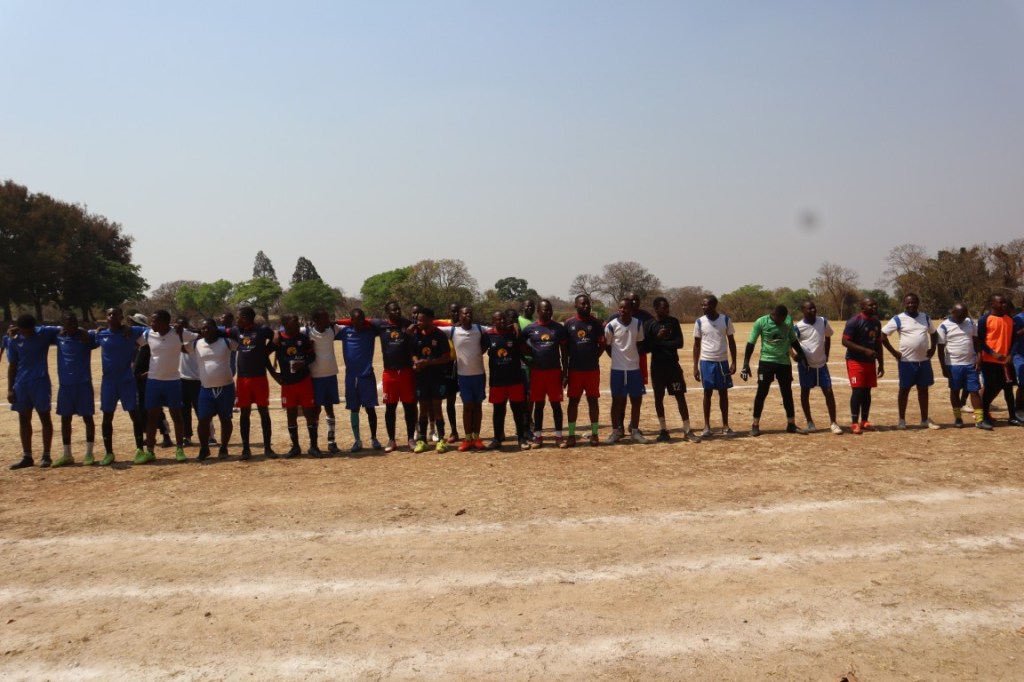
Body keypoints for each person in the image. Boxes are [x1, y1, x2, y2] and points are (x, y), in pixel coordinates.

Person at [341, 301, 418, 453]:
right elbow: (359, 320)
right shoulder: (380, 325)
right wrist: (334, 321)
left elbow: (426, 322)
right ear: (387, 312)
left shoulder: (408, 324)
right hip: (389, 373)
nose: (396, 311)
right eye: (393, 310)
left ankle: (411, 438)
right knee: (390, 407)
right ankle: (391, 439)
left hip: (406, 372)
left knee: (409, 406)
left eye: (398, 309)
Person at [135, 309, 197, 463]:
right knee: (152, 417)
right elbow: (134, 341)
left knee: (176, 415)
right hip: (153, 381)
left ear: (164, 322)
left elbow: (199, 336)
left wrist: (186, 344)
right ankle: (150, 451)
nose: (151, 323)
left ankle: (180, 449)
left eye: (154, 321)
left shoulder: (178, 333)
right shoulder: (148, 334)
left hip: (173, 381)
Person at [741, 305, 807, 437]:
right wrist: (746, 364)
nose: (780, 322)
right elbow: (751, 343)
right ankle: (755, 425)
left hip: (784, 363)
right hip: (766, 362)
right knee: (761, 393)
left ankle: (791, 424)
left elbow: (793, 339)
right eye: (778, 319)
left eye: (782, 319)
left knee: (787, 393)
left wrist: (802, 355)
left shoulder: (787, 321)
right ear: (773, 315)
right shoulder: (761, 322)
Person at [92, 307, 146, 465]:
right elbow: (82, 335)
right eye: (109, 314)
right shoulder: (101, 334)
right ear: (106, 318)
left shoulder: (131, 332)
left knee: (134, 415)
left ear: (121, 317)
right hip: (108, 382)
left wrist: (127, 327)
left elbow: (149, 329)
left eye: (115, 314)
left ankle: (139, 450)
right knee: (107, 416)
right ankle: (109, 453)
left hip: (127, 381)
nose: (112, 316)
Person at [7, 314, 60, 469]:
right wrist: (10, 388)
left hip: (40, 382)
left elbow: (66, 328)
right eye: (22, 330)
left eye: (27, 330)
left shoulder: (43, 333)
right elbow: (12, 365)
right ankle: (27, 456)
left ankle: (46, 455)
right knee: (23, 419)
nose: (24, 332)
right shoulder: (14, 339)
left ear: (32, 328)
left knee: (44, 417)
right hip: (21, 383)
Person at [643, 296, 700, 442]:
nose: (667, 309)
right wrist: (658, 337)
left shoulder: (673, 322)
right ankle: (663, 430)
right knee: (658, 398)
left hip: (673, 367)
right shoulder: (649, 325)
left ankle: (687, 430)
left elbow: (679, 343)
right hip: (657, 368)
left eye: (667, 307)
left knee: (680, 396)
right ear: (656, 309)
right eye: (663, 307)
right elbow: (646, 348)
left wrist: (660, 343)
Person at [880, 294, 940, 429]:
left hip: (924, 361)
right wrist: (894, 353)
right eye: (908, 303)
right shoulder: (898, 319)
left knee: (923, 390)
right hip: (906, 362)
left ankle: (924, 419)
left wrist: (933, 348)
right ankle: (901, 420)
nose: (911, 305)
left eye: (913, 302)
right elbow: (883, 336)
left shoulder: (925, 317)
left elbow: (934, 333)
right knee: (904, 390)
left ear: (918, 303)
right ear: (904, 303)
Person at [52, 312, 98, 467]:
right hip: (65, 385)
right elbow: (38, 330)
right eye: (68, 322)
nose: (71, 325)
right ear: (63, 324)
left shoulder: (86, 338)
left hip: (83, 384)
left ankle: (89, 453)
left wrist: (86, 331)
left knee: (88, 418)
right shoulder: (58, 337)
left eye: (74, 322)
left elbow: (100, 331)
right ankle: (67, 454)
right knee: (65, 419)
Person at [231, 306, 277, 459]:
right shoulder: (237, 331)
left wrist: (266, 351)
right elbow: (217, 332)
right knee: (244, 414)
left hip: (259, 378)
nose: (236, 319)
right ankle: (245, 448)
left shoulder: (262, 329)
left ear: (245, 317)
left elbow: (276, 338)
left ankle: (268, 448)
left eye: (238, 317)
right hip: (243, 379)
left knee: (264, 412)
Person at [936, 303, 991, 430]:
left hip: (970, 364)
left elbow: (976, 341)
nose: (962, 318)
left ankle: (979, 420)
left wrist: (979, 357)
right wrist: (943, 367)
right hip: (953, 365)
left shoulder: (970, 323)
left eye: (964, 315)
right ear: (953, 313)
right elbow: (940, 349)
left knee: (974, 391)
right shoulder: (944, 327)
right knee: (955, 391)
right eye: (960, 315)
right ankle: (958, 418)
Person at [271, 313, 319, 456]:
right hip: (287, 384)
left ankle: (314, 447)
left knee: (310, 413)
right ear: (285, 323)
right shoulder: (278, 340)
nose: (298, 323)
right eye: (295, 321)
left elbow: (312, 355)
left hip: (304, 381)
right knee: (291, 414)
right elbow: (263, 355)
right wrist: (274, 374)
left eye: (298, 321)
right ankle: (295, 447)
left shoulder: (303, 338)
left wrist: (303, 363)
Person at [793, 301, 843, 435]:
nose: (813, 310)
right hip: (806, 366)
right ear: (802, 310)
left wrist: (827, 353)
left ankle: (833, 423)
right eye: (809, 309)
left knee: (828, 391)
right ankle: (810, 422)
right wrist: (794, 355)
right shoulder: (798, 327)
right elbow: (790, 342)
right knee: (805, 392)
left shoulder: (823, 321)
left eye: (814, 308)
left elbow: (828, 336)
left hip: (821, 364)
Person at [523, 300, 568, 448]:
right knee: (539, 405)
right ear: (538, 311)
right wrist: (528, 361)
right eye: (544, 310)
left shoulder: (558, 329)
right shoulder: (530, 328)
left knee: (556, 405)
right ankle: (538, 437)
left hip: (554, 371)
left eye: (549, 309)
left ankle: (559, 436)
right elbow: (519, 346)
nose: (547, 312)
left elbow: (564, 352)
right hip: (537, 372)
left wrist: (565, 372)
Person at [563, 294, 606, 447]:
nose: (586, 306)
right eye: (582, 304)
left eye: (588, 304)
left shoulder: (596, 324)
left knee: (592, 401)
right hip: (575, 370)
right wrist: (565, 371)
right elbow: (565, 350)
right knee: (573, 402)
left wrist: (595, 357)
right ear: (576, 305)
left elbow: (602, 344)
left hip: (592, 370)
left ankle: (595, 434)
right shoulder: (569, 324)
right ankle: (571, 435)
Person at [483, 310, 529, 450]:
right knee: (498, 410)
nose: (502, 322)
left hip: (515, 378)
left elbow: (523, 352)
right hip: (497, 380)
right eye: (498, 319)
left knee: (517, 410)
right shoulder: (488, 335)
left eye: (503, 319)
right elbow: (479, 350)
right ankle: (497, 438)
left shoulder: (513, 333)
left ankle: (521, 438)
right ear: (493, 321)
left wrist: (519, 333)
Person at [193, 318, 238, 459]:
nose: (205, 330)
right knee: (203, 420)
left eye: (208, 328)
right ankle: (204, 448)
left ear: (215, 329)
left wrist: (225, 331)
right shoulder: (197, 343)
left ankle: (224, 448)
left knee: (225, 419)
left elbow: (239, 338)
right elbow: (181, 344)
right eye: (203, 328)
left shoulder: (226, 342)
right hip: (206, 388)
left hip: (226, 387)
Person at [338, 308, 382, 452]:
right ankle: (357, 440)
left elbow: (379, 322)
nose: (359, 322)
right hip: (351, 377)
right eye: (356, 319)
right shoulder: (344, 332)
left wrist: (367, 322)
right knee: (354, 409)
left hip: (367, 375)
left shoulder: (370, 331)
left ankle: (374, 438)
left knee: (370, 409)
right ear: (351, 320)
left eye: (362, 319)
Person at [692, 295, 737, 438]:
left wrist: (734, 361)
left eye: (706, 305)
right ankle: (706, 426)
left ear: (714, 305)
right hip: (706, 361)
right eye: (702, 305)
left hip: (722, 361)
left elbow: (731, 342)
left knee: (723, 393)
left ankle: (725, 425)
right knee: (707, 393)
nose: (704, 307)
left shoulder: (725, 320)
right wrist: (695, 366)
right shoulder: (699, 322)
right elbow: (696, 344)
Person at [605, 297, 648, 444]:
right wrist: (616, 358)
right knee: (617, 400)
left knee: (636, 400)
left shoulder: (638, 324)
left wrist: (632, 358)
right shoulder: (611, 325)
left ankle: (634, 430)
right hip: (617, 369)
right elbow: (607, 345)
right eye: (621, 308)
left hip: (634, 369)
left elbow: (640, 343)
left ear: (632, 310)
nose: (623, 310)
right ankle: (616, 430)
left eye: (626, 308)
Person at [444, 306, 487, 452]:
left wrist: (512, 326)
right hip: (463, 377)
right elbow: (431, 326)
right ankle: (467, 439)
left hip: (479, 375)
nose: (467, 315)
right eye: (464, 313)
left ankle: (476, 437)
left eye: (470, 313)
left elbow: (497, 329)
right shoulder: (453, 331)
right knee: (467, 407)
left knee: (478, 406)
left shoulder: (480, 329)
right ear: (460, 316)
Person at [410, 307, 453, 454]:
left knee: (437, 408)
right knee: (423, 408)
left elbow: (447, 357)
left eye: (421, 320)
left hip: (437, 377)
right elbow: (413, 353)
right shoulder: (416, 334)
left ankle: (441, 440)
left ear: (430, 319)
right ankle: (422, 440)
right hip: (421, 377)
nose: (418, 322)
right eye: (417, 319)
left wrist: (428, 362)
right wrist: (416, 362)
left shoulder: (439, 335)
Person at [842, 297, 885, 434]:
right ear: (862, 307)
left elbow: (878, 344)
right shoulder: (854, 322)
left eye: (875, 305)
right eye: (870, 305)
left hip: (870, 363)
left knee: (867, 391)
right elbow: (845, 341)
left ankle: (864, 420)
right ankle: (854, 422)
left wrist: (881, 363)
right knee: (858, 391)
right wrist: (864, 350)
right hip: (855, 361)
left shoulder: (877, 323)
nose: (874, 307)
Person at [303, 309, 343, 454]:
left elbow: (349, 323)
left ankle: (331, 441)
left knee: (330, 409)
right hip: (315, 377)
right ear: (316, 320)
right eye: (325, 318)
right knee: (315, 410)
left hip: (331, 375)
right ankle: (313, 444)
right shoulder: (307, 331)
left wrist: (336, 322)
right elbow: (286, 330)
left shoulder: (332, 329)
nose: (328, 320)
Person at [977, 293, 1018, 427]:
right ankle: (984, 417)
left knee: (1008, 389)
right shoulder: (985, 319)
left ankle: (1012, 417)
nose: (1003, 305)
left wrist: (1010, 355)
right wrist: (992, 353)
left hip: (1006, 362)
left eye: (1004, 303)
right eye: (1000, 302)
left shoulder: (1009, 320)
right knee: (989, 389)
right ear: (992, 304)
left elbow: (1014, 340)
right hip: (990, 361)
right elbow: (980, 341)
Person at [177, 317, 203, 446]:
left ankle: (210, 435)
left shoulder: (194, 337)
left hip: (197, 379)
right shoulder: (178, 337)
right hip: (182, 379)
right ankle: (187, 436)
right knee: (184, 410)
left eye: (183, 325)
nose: (181, 328)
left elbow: (198, 334)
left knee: (202, 410)